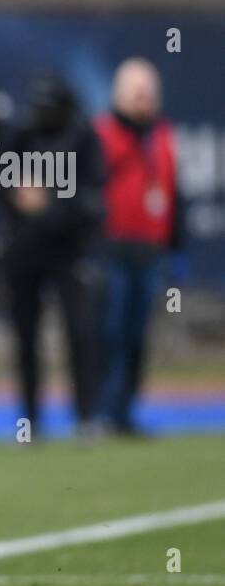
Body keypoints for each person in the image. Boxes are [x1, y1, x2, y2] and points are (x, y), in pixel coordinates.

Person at [0, 73, 107, 437]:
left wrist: (50, 204)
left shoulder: (83, 138)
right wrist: (15, 198)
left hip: (68, 249)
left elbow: (92, 198)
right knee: (25, 335)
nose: (42, 114)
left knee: (80, 332)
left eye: (50, 107)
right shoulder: (21, 135)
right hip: (25, 249)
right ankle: (30, 420)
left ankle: (86, 417)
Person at [94, 58, 181, 436]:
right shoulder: (103, 134)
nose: (144, 100)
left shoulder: (162, 135)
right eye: (137, 92)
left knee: (137, 334)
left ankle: (125, 412)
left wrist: (176, 245)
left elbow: (175, 192)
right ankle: (103, 411)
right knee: (110, 329)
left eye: (148, 93)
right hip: (113, 247)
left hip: (150, 249)